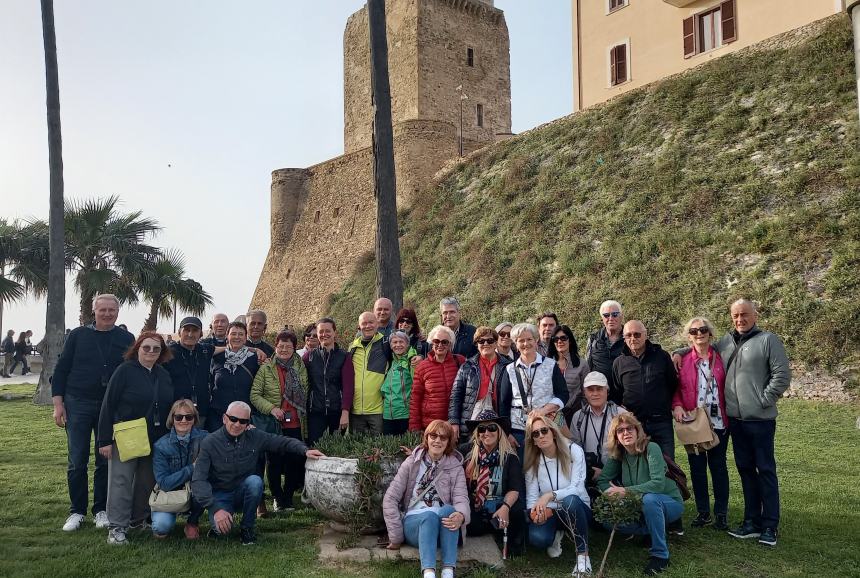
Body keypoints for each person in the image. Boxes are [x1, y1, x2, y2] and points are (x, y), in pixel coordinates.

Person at [674, 299, 790, 546]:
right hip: (736, 421)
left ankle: (770, 526)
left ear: (755, 314)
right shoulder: (727, 342)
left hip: (759, 419)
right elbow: (698, 348)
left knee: (765, 471)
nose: (740, 319)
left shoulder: (768, 340)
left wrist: (763, 400)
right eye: (736, 315)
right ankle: (751, 522)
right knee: (746, 471)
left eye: (745, 314)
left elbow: (782, 375)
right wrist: (678, 352)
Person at [52, 294, 135, 532]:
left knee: (104, 460)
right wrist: (59, 404)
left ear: (118, 312)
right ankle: (76, 511)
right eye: (103, 310)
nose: (107, 314)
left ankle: (101, 509)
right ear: (94, 311)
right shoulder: (78, 335)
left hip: (108, 406)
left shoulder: (126, 338)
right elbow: (61, 370)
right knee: (77, 461)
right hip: (77, 403)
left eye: (112, 310)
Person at [192, 401, 324, 545]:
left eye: (243, 421)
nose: (237, 424)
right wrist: (215, 509)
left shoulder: (254, 436)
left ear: (248, 423)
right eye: (233, 419)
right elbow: (198, 480)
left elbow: (281, 442)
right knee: (222, 531)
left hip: (243, 491)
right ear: (224, 418)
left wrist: (305, 450)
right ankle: (218, 524)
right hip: (220, 495)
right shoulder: (210, 442)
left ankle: (247, 528)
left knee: (255, 481)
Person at [96, 332, 174, 545]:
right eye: (146, 347)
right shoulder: (124, 371)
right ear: (137, 349)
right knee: (121, 481)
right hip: (128, 435)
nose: (151, 352)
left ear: (162, 352)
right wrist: (104, 440)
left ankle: (137, 521)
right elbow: (108, 405)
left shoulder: (163, 374)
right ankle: (116, 527)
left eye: (156, 349)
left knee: (146, 482)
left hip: (155, 436)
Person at [598, 414, 683, 575]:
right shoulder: (619, 454)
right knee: (608, 522)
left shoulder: (651, 448)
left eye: (629, 428)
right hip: (638, 504)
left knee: (650, 499)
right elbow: (603, 480)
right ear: (616, 436)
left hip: (667, 502)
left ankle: (660, 555)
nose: (626, 433)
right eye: (620, 430)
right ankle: (653, 529)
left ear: (638, 431)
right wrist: (612, 493)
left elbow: (658, 484)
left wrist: (625, 491)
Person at [382, 420, 469, 578]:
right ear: (426, 438)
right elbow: (390, 498)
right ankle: (429, 572)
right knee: (429, 517)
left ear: (448, 442)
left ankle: (448, 571)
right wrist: (395, 537)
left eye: (443, 438)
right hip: (415, 523)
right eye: (433, 435)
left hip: (443, 528)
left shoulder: (455, 467)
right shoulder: (411, 463)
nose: (437, 440)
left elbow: (461, 497)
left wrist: (461, 516)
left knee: (450, 510)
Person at [672, 317, 730, 531]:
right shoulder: (683, 361)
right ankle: (703, 512)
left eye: (703, 330)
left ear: (710, 333)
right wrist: (677, 405)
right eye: (694, 331)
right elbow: (675, 389)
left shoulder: (722, 357)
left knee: (718, 467)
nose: (699, 334)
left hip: (718, 421)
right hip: (693, 421)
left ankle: (721, 514)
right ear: (689, 336)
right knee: (697, 469)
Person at [524, 415, 592, 575]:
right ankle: (557, 533)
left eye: (544, 430)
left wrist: (549, 496)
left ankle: (583, 557)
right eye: (535, 434)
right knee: (538, 539)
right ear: (533, 440)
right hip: (550, 512)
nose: (541, 435)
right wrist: (534, 514)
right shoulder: (532, 462)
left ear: (553, 432)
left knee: (570, 501)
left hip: (578, 508)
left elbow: (577, 488)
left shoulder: (573, 450)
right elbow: (532, 498)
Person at [250, 330, 308, 512]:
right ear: (275, 347)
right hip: (274, 422)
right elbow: (255, 395)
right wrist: (272, 409)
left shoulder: (301, 367)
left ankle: (288, 497)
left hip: (295, 421)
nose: (283, 349)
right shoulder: (266, 368)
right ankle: (277, 497)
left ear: (294, 348)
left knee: (294, 460)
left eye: (288, 346)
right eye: (280, 346)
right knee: (274, 461)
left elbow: (305, 390)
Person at [497, 323, 568, 460]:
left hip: (547, 426)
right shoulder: (509, 370)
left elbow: (563, 394)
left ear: (536, 340)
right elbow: (503, 403)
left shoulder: (550, 365)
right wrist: (507, 433)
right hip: (519, 430)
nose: (525, 344)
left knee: (549, 464)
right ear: (515, 344)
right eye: (521, 340)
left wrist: (544, 410)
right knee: (524, 469)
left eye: (529, 339)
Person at [462, 410, 525, 556]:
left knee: (516, 510)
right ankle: (489, 529)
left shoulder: (510, 458)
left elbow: (515, 489)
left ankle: (508, 538)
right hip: (478, 509)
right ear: (477, 434)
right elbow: (444, 452)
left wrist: (506, 507)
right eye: (482, 429)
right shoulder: (467, 453)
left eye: (491, 428)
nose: (486, 432)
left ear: (499, 431)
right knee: (471, 525)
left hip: (500, 506)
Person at [612, 320, 679, 457]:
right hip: (634, 425)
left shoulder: (662, 356)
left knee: (668, 465)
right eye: (628, 335)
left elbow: (672, 384)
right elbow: (617, 393)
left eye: (637, 334)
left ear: (645, 335)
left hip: (661, 422)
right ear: (623, 339)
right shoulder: (619, 363)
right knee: (639, 466)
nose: (633, 338)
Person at [151, 399, 208, 539]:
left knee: (204, 486)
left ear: (194, 419)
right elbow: (164, 483)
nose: (184, 420)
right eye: (178, 417)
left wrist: (247, 428)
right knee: (161, 527)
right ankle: (169, 516)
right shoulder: (161, 446)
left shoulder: (205, 438)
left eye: (189, 417)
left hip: (195, 492)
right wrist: (192, 468)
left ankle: (192, 522)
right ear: (172, 419)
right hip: (170, 494)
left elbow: (226, 436)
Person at [568, 371, 627, 498]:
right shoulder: (578, 417)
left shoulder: (621, 415)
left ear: (607, 390)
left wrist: (607, 473)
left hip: (619, 475)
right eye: (590, 390)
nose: (595, 393)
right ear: (584, 393)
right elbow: (574, 450)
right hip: (589, 475)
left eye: (599, 389)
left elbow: (630, 450)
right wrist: (589, 471)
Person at [448, 326, 511, 438]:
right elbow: (456, 396)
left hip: (499, 422)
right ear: (477, 345)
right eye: (481, 341)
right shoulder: (467, 367)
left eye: (490, 340)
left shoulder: (508, 366)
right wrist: (454, 422)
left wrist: (509, 430)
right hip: (471, 422)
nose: (485, 343)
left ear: (496, 343)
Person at [303, 317, 353, 445]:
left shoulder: (344, 356)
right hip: (315, 412)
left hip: (337, 411)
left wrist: (345, 412)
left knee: (337, 450)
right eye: (321, 332)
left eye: (328, 331)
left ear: (334, 332)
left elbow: (348, 386)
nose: (324, 334)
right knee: (314, 448)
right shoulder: (309, 356)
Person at [163, 317, 216, 429]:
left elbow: (226, 349)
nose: (190, 334)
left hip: (200, 412)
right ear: (179, 332)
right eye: (186, 330)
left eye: (195, 330)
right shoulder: (168, 352)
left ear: (201, 334)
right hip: (177, 413)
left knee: (197, 444)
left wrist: (254, 350)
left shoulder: (204, 350)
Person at [410, 326, 465, 432]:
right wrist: (414, 428)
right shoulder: (422, 366)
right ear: (431, 342)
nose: (440, 345)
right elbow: (415, 399)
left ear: (450, 344)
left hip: (454, 424)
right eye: (436, 341)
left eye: (445, 342)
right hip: (430, 425)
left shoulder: (460, 361)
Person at [208, 321, 260, 431]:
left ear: (246, 338)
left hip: (244, 419)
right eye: (233, 333)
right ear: (227, 336)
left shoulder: (255, 359)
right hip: (218, 417)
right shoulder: (216, 358)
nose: (237, 337)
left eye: (241, 334)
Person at [349, 311, 391, 434]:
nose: (368, 326)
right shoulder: (352, 347)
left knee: (380, 448)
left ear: (377, 324)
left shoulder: (386, 343)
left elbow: (403, 351)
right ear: (359, 326)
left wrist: (417, 356)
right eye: (364, 323)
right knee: (357, 448)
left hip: (378, 410)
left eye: (371, 322)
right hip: (356, 410)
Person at [586, 300, 625, 403]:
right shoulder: (593, 340)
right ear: (602, 318)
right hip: (601, 398)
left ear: (621, 316)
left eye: (615, 314)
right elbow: (589, 367)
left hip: (626, 399)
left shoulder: (630, 337)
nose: (611, 318)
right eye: (606, 315)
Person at [547, 324, 589, 416]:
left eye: (563, 338)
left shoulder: (582, 364)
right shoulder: (546, 364)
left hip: (574, 412)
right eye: (556, 339)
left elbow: (586, 392)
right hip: (551, 413)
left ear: (570, 341)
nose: (559, 341)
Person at [381, 331, 416, 435]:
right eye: (394, 342)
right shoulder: (391, 362)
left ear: (407, 344)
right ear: (390, 345)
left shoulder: (412, 361)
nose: (398, 345)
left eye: (401, 342)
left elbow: (417, 386)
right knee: (389, 448)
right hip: (387, 414)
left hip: (404, 414)